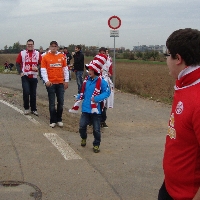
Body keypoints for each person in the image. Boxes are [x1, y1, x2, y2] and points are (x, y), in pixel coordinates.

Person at [158, 28, 200, 200]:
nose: (166, 60)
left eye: (168, 55)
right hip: (171, 186)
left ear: (178, 59)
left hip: (185, 195)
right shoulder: (184, 84)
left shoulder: (197, 96)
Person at [69, 52, 110, 153]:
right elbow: (83, 93)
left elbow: (107, 92)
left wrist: (97, 98)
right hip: (86, 109)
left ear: (95, 71)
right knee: (82, 126)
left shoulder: (102, 82)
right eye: (89, 69)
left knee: (96, 129)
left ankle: (96, 144)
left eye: (91, 70)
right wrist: (78, 97)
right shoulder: (86, 81)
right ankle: (84, 137)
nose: (88, 71)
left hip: (96, 110)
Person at [41, 41, 69, 128]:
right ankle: (52, 120)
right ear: (49, 47)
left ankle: (59, 119)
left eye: (55, 46)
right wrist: (46, 81)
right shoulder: (45, 57)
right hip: (51, 83)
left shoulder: (62, 56)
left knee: (60, 102)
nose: (53, 48)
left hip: (60, 83)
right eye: (52, 46)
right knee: (52, 103)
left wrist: (66, 80)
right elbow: (43, 70)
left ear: (57, 47)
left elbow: (65, 69)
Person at [16, 39, 41, 116]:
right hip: (25, 76)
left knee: (33, 93)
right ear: (26, 45)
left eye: (31, 44)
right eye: (28, 44)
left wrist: (38, 68)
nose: (30, 46)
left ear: (33, 45)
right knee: (26, 92)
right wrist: (20, 72)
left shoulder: (37, 53)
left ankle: (34, 109)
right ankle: (26, 108)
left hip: (34, 76)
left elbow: (41, 63)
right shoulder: (22, 53)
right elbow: (17, 63)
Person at [100, 47, 114, 128]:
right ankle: (92, 120)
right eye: (101, 53)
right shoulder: (96, 61)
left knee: (104, 102)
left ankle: (103, 120)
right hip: (97, 82)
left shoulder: (109, 61)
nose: (103, 54)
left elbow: (110, 71)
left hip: (105, 82)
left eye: (104, 53)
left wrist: (109, 74)